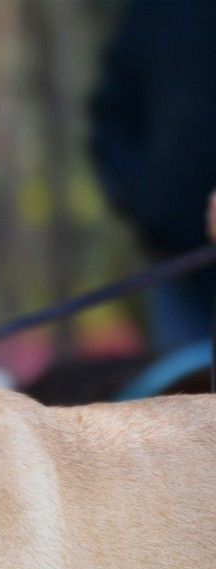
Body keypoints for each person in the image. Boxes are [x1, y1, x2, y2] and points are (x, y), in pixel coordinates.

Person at [88, 1, 216, 355]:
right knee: (185, 385)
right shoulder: (156, 10)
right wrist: (151, 210)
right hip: (178, 268)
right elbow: (111, 117)